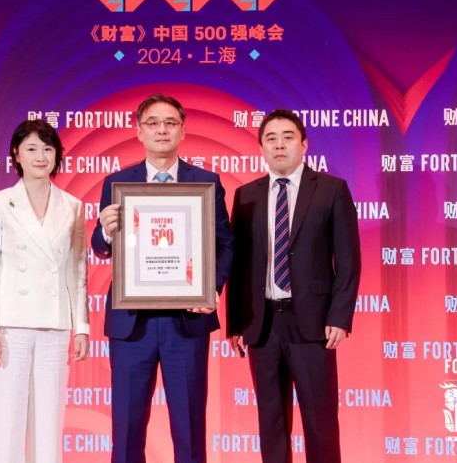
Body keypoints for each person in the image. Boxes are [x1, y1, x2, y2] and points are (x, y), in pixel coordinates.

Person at [91, 94, 233, 463]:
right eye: (152, 123)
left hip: (186, 321)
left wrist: (211, 287)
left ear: (183, 131)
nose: (162, 130)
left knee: (189, 428)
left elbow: (224, 244)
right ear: (139, 132)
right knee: (126, 430)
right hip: (131, 323)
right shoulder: (117, 182)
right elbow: (100, 247)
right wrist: (105, 231)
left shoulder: (206, 182)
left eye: (170, 123)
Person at [227, 109, 361, 463]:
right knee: (271, 421)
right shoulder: (246, 195)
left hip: (313, 324)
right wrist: (236, 323)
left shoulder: (331, 190)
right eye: (271, 139)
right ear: (261, 148)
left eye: (287, 137)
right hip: (263, 325)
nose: (279, 145)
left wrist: (340, 316)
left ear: (304, 144)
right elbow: (239, 265)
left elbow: (348, 260)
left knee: (320, 421)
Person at [0, 119, 89, 463]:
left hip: (55, 327)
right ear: (16, 154)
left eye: (48, 149)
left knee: (49, 422)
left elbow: (76, 271)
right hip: (10, 327)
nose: (41, 156)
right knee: (5, 419)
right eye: (32, 148)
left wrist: (81, 327)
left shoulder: (72, 206)